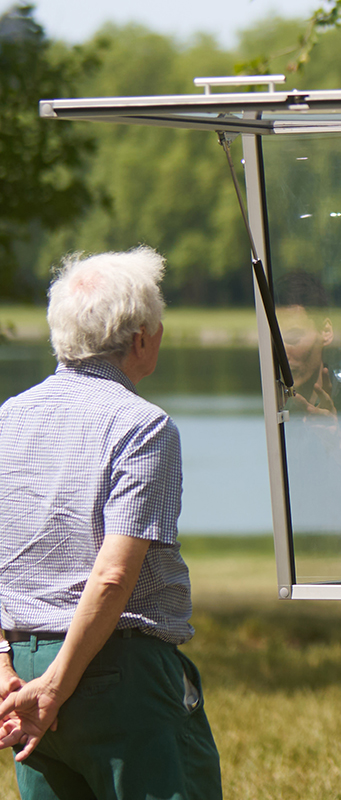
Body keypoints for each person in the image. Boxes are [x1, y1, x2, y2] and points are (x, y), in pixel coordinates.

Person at [0, 247, 223, 800]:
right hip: (117, 671)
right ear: (142, 338)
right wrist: (58, 685)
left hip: (24, 673)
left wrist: (7, 669)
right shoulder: (144, 427)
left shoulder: (8, 419)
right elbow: (112, 578)